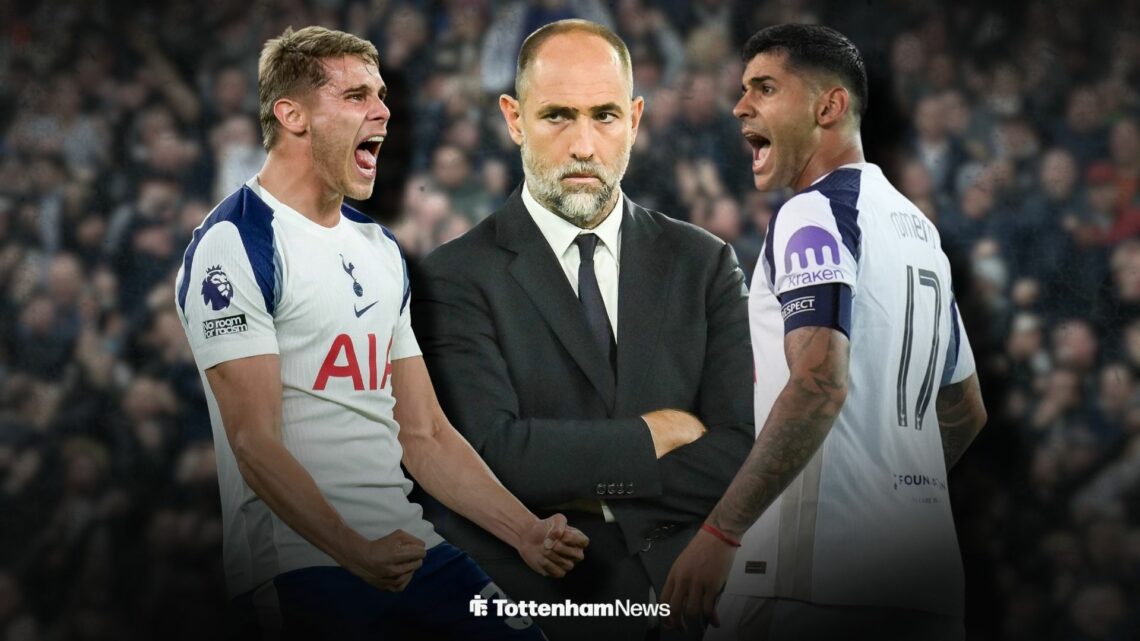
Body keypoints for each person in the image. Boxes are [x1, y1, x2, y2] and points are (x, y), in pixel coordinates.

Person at [174, 26, 588, 640]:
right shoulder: (235, 243)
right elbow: (253, 442)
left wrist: (524, 531)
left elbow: (422, 433)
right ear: (292, 115)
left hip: (411, 550)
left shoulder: (379, 248)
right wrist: (352, 549)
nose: (384, 112)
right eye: (356, 96)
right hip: (303, 565)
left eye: (382, 94)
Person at [411, 19, 754, 641]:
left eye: (604, 116)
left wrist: (593, 492)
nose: (583, 146)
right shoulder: (453, 277)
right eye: (557, 117)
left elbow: (741, 451)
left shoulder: (704, 263)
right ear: (514, 119)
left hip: (690, 609)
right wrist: (656, 435)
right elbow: (492, 457)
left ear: (636, 118)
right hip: (540, 613)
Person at [662, 24, 988, 640]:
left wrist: (720, 532)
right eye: (742, 88)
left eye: (764, 87)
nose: (740, 106)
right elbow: (964, 410)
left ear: (829, 106)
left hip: (808, 583)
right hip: (925, 585)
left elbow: (817, 382)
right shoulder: (921, 235)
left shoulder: (812, 211)